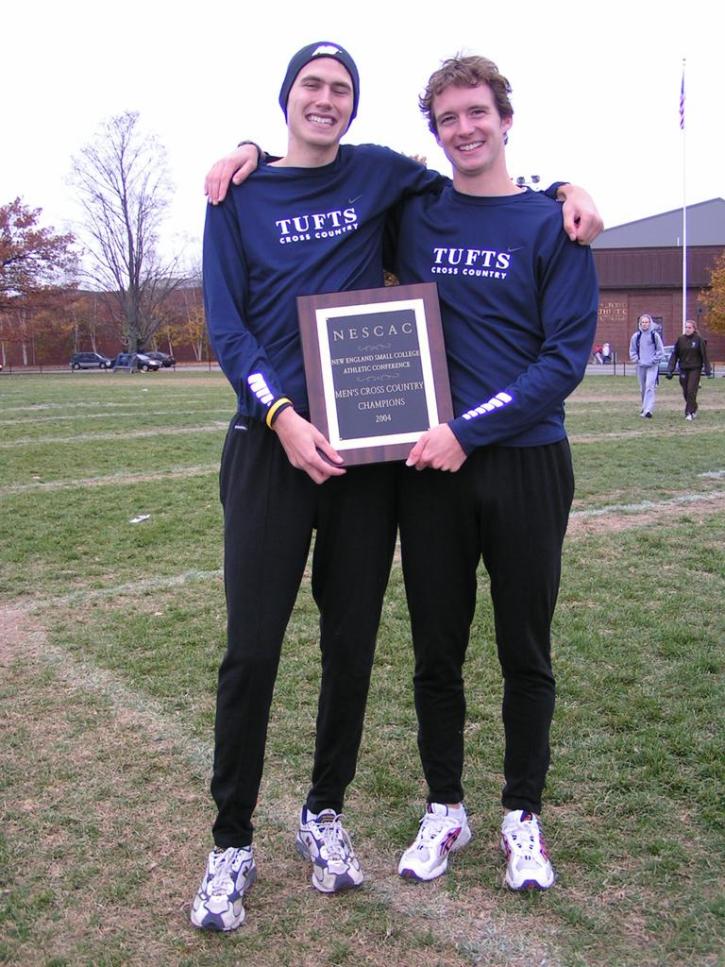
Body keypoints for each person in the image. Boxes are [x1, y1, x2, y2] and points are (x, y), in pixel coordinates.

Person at [194, 42, 602, 932]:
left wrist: (566, 185)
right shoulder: (245, 194)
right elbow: (228, 327)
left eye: (341, 90)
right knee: (254, 652)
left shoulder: (385, 179)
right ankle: (231, 842)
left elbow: (494, 196)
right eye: (312, 86)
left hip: (386, 458)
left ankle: (328, 813)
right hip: (283, 442)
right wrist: (279, 416)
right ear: (286, 96)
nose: (327, 101)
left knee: (356, 643)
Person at [388, 54, 598, 891]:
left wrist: (465, 431)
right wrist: (252, 150)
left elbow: (562, 361)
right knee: (436, 649)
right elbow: (325, 182)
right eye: (447, 118)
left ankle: (522, 815)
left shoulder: (555, 225)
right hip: (430, 471)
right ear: (434, 133)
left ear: (505, 120)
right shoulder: (414, 214)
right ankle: (445, 807)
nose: (465, 129)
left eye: (477, 112)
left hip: (525, 462)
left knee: (524, 648)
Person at [667, 319, 711, 419]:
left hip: (695, 368)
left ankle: (689, 413)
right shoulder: (680, 339)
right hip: (683, 368)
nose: (687, 329)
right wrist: (670, 369)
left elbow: (704, 355)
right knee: (686, 391)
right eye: (686, 327)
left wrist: (708, 370)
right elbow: (675, 355)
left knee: (691, 390)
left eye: (689, 327)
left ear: (694, 329)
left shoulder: (699, 339)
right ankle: (694, 407)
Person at [629, 313, 664, 418]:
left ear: (650, 323)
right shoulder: (636, 336)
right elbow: (632, 351)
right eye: (643, 322)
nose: (645, 324)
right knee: (643, 388)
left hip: (652, 366)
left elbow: (660, 351)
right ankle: (644, 408)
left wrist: (653, 360)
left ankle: (648, 410)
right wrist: (637, 360)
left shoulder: (655, 336)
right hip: (640, 366)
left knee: (650, 386)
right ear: (640, 324)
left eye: (646, 322)